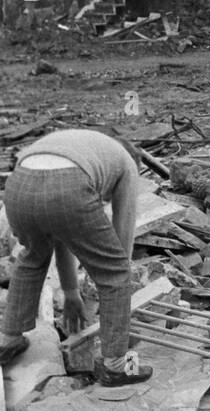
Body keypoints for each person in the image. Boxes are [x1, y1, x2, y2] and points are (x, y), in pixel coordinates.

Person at [0, 127, 152, 385]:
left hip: (19, 184)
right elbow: (123, 228)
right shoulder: (127, 163)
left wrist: (72, 293)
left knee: (33, 257)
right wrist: (118, 282)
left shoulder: (87, 146)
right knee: (115, 271)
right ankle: (116, 364)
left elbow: (63, 235)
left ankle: (7, 340)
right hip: (69, 184)